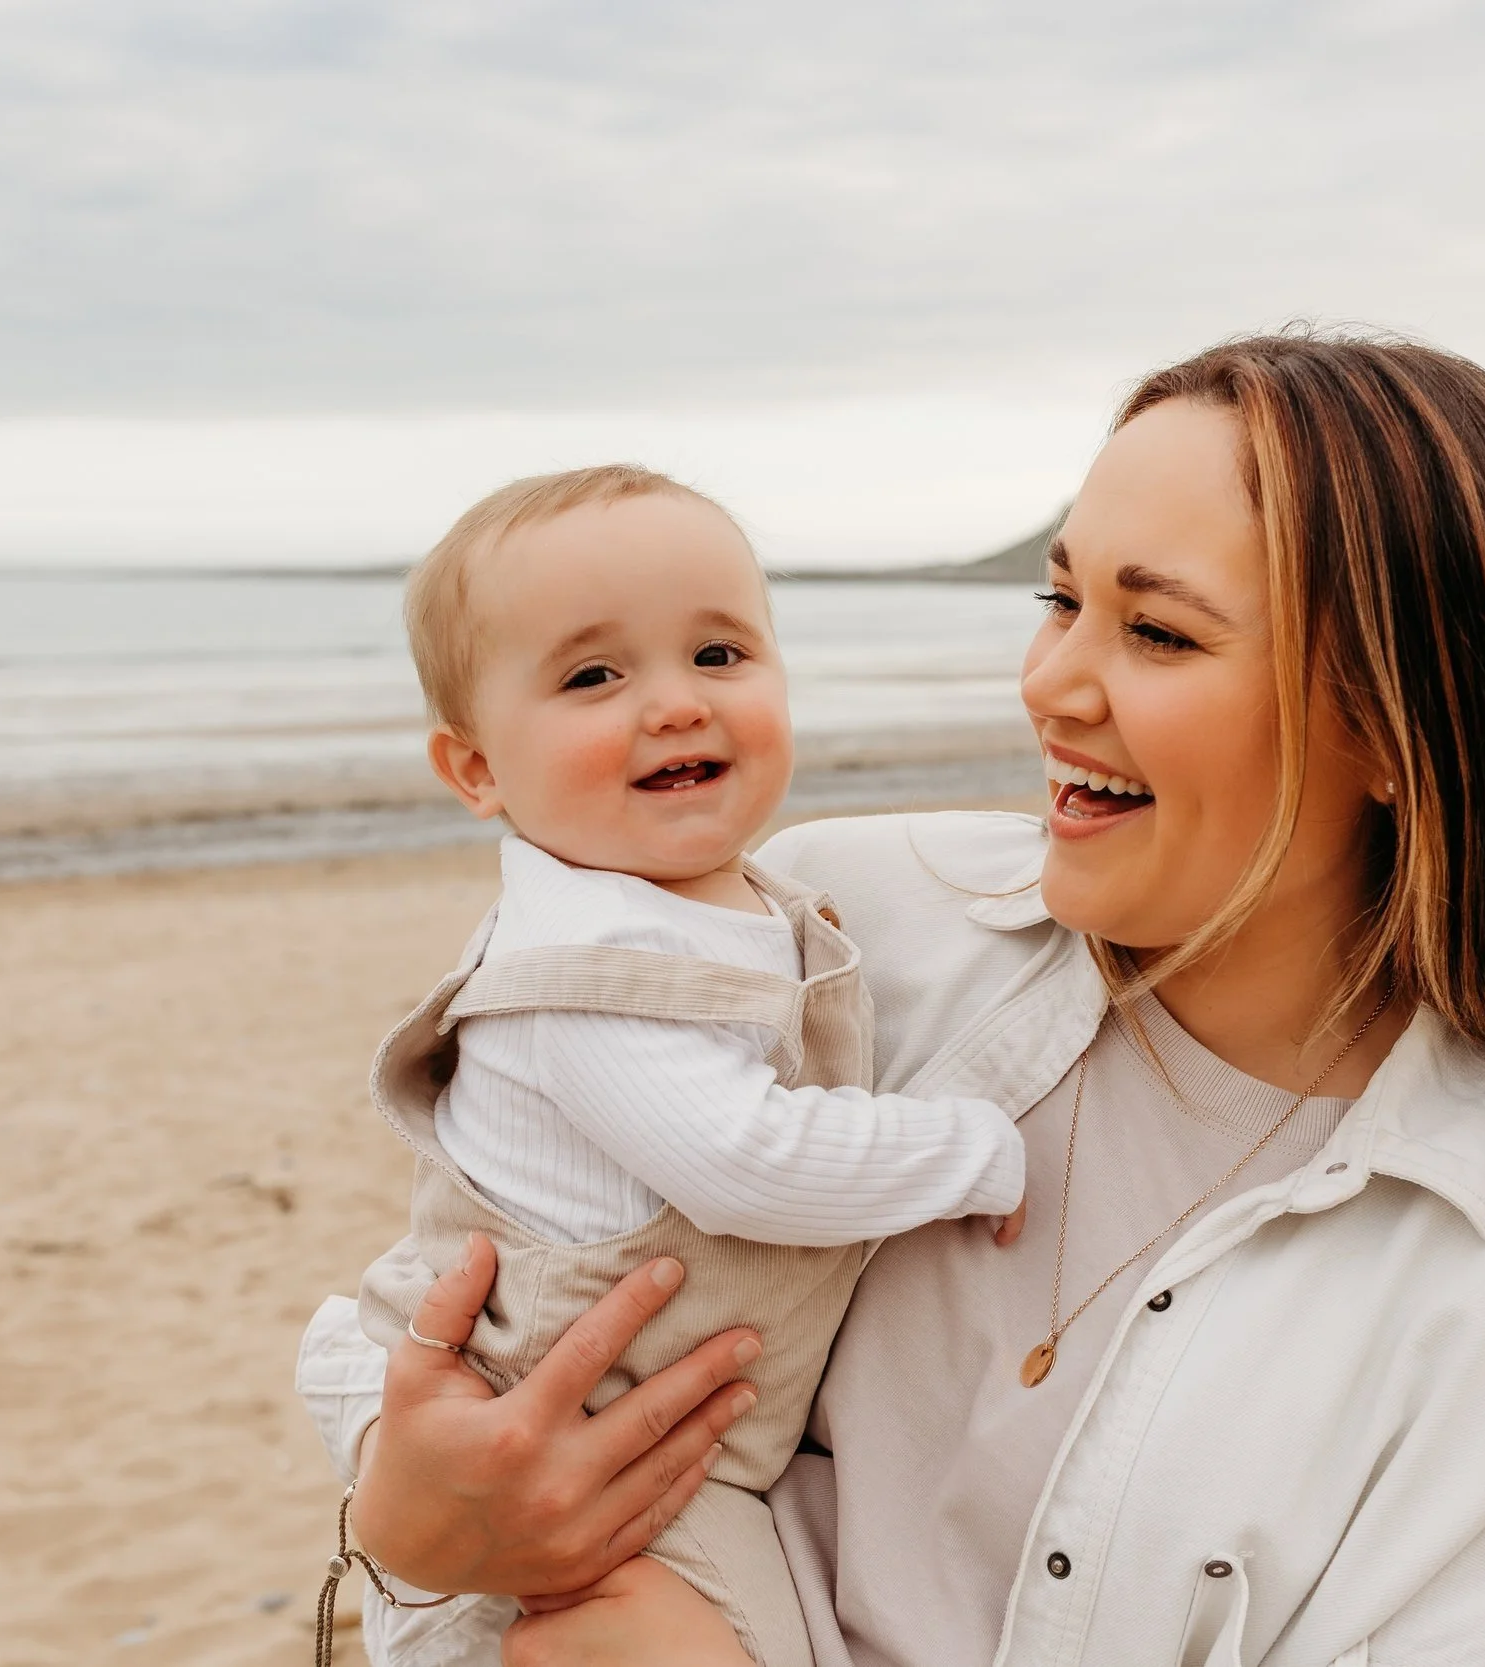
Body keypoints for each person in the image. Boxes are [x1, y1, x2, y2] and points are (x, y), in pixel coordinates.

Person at [296, 332, 1485, 1667]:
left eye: (1157, 632)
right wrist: (414, 1535)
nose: (1052, 682)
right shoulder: (829, 929)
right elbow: (480, 1368)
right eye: (1059, 598)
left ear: (1392, 722)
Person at [326, 464, 1028, 1667]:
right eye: (594, 675)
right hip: (574, 1450)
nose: (674, 704)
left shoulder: (729, 903)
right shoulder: (593, 959)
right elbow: (746, 1159)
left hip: (648, 1429)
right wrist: (976, 1149)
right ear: (477, 770)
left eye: (718, 654)